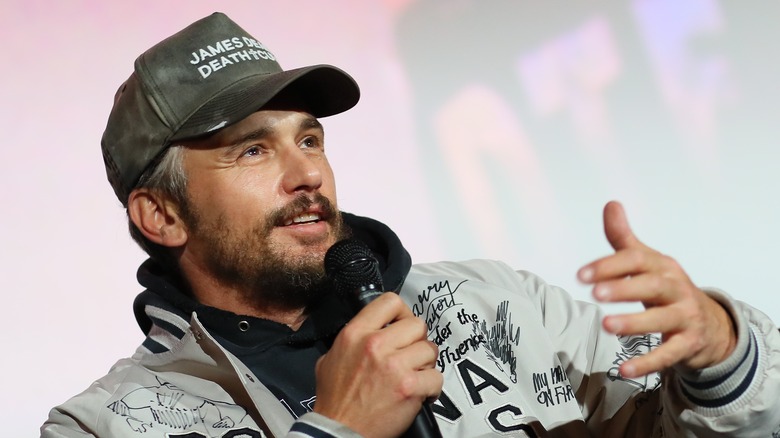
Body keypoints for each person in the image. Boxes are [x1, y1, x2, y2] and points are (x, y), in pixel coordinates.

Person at [41, 12, 780, 438]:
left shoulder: (496, 303)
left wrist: (720, 351)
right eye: (253, 150)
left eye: (309, 138)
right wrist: (339, 429)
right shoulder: (103, 426)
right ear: (162, 214)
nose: (307, 173)